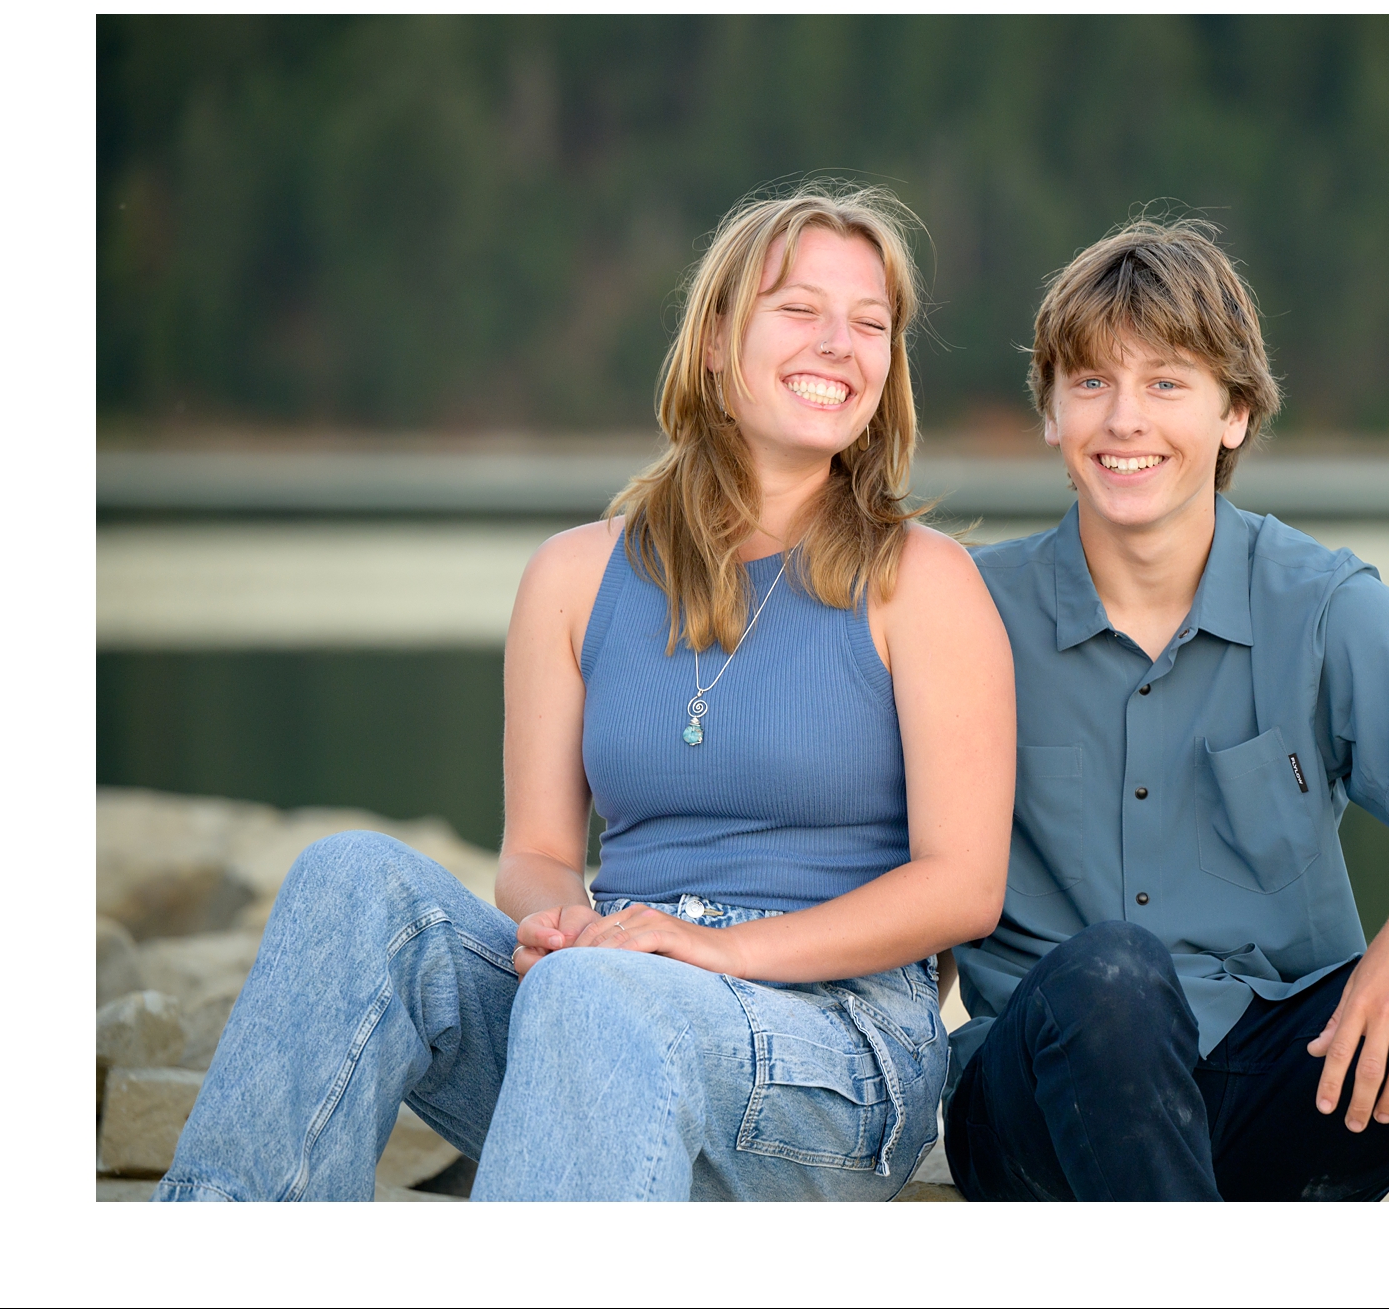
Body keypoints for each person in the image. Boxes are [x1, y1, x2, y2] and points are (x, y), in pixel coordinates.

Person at [155, 185, 1016, 1202]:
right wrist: (566, 924)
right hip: (599, 1001)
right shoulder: (573, 576)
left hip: (831, 1054)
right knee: (355, 882)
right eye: (797, 309)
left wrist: (704, 953)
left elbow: (961, 887)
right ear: (712, 340)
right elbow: (537, 855)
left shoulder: (923, 580)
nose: (838, 343)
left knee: (605, 995)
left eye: (869, 324)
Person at [943, 217, 1389, 1201]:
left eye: (1165, 382)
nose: (1123, 419)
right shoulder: (964, 610)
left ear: (1235, 414)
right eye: (1090, 382)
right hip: (1047, 1091)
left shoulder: (1321, 600)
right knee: (1114, 977)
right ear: (1049, 413)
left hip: (1286, 1077)